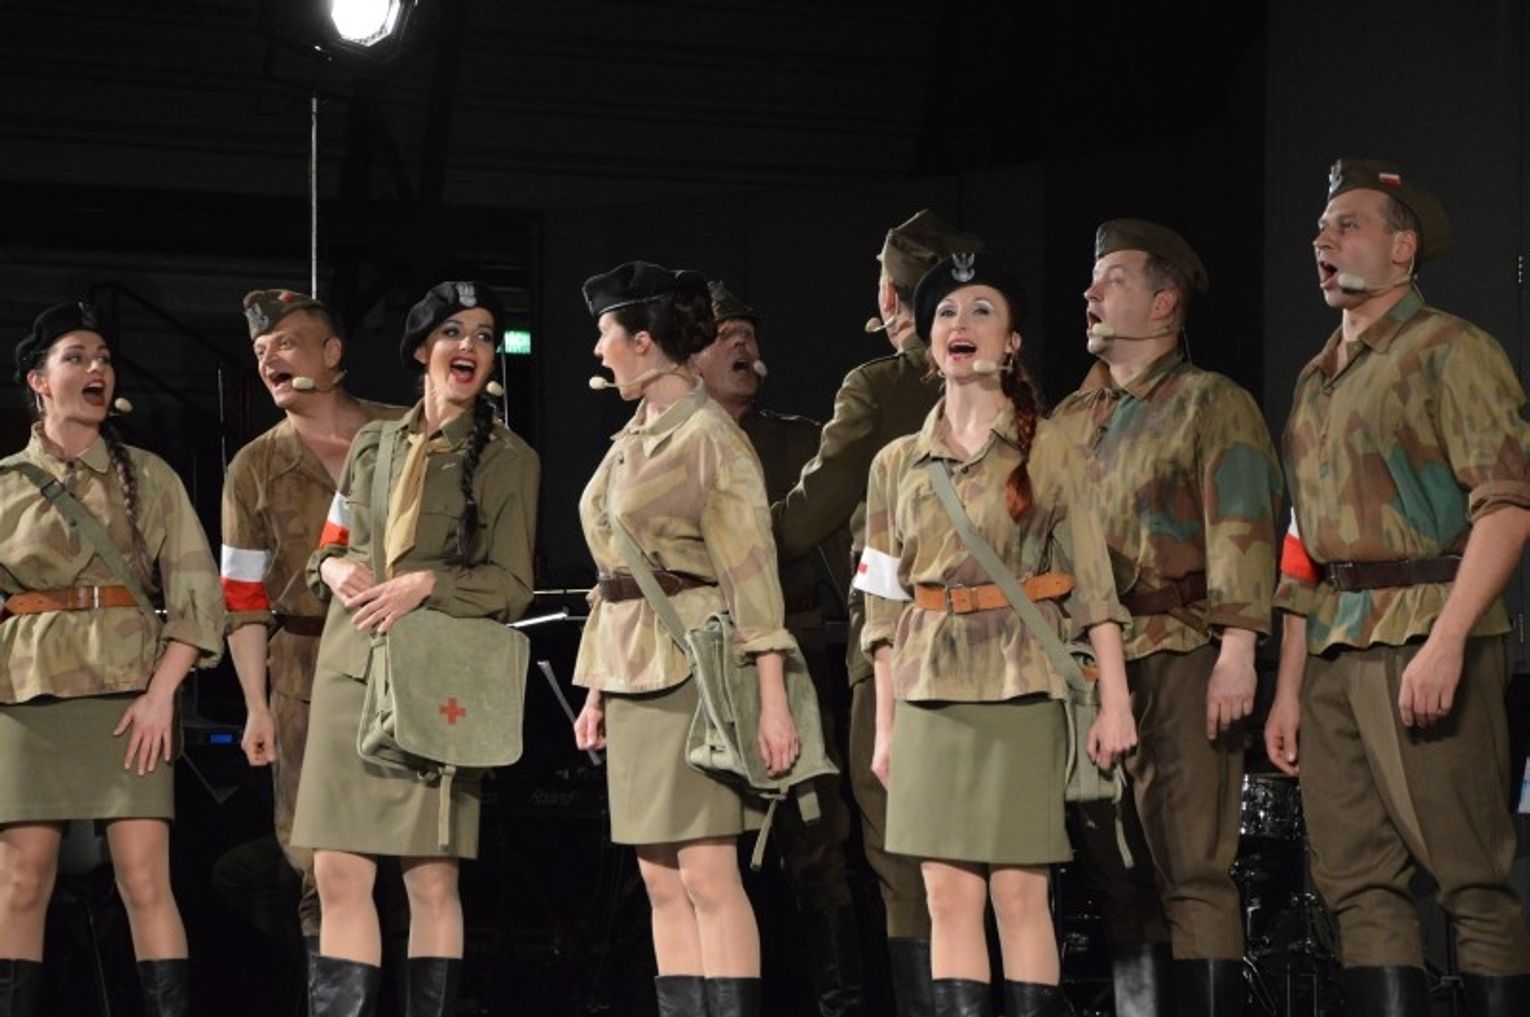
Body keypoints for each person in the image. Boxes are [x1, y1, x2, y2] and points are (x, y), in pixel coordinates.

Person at [1265, 159, 1530, 1016]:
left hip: (1426, 627)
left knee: (1469, 875)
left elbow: (1509, 503)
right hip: (1334, 641)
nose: (1324, 240)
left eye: (1348, 225)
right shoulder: (1316, 378)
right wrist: (1289, 687)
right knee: (1355, 884)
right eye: (1321, 228)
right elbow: (1303, 539)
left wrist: (1448, 640)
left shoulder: (1453, 350)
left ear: (1403, 248)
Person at [857, 254, 1136, 1017]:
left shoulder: (1051, 449)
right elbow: (880, 608)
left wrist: (1115, 702)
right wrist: (884, 724)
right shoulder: (894, 464)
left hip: (1019, 685)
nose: (961, 324)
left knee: (1019, 893)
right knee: (946, 897)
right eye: (946, 312)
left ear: (1012, 342)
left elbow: (1095, 587)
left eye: (982, 310)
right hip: (927, 692)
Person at [1048, 220, 1282, 1016]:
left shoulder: (1209, 402)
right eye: (1093, 279)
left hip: (1180, 651)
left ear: (1164, 302)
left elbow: (1244, 525)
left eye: (1112, 278)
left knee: (1192, 869)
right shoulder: (1069, 417)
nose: (1090, 292)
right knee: (1119, 872)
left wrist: (1238, 649)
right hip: (1089, 665)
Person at [291, 281, 540, 1017]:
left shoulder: (508, 457)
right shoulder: (374, 444)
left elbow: (513, 586)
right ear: (422, 349)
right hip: (349, 672)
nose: (471, 346)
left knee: (430, 878)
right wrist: (331, 568)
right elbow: (329, 545)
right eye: (455, 332)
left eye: (485, 336)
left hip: (433, 682)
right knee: (337, 872)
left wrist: (428, 584)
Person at [571, 261, 802, 1017]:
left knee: (707, 873)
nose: (598, 350)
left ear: (643, 341)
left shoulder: (709, 437)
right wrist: (595, 692)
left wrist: (773, 701)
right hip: (630, 671)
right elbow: (614, 575)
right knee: (661, 879)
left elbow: (753, 579)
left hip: (696, 672)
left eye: (606, 334)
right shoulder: (631, 438)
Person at [772, 210, 982, 1017]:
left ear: (892, 296)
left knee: (902, 857)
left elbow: (807, 514)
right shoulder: (1013, 388)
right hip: (996, 655)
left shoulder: (878, 386)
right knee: (991, 863)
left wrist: (725, 542)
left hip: (897, 648)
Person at [0, 301, 225, 1017]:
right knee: (20, 884)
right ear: (39, 381)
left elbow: (198, 600)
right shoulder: (5, 483)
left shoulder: (149, 476)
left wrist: (161, 696)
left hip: (131, 699)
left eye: (102, 358)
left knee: (145, 880)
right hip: (27, 698)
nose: (96, 367)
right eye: (76, 357)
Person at [220, 289, 405, 981]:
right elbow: (242, 598)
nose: (270, 357)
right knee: (317, 863)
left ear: (332, 353)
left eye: (288, 343)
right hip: (305, 669)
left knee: (417, 858)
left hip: (402, 656)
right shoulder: (254, 466)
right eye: (261, 349)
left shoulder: (402, 434)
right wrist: (256, 706)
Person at [693, 280, 864, 1017]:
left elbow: (850, 547)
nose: (744, 345)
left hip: (795, 658)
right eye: (724, 334)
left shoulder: (799, 442)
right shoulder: (669, 442)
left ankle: (838, 1002)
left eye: (749, 335)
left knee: (818, 843)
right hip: (702, 663)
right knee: (705, 850)